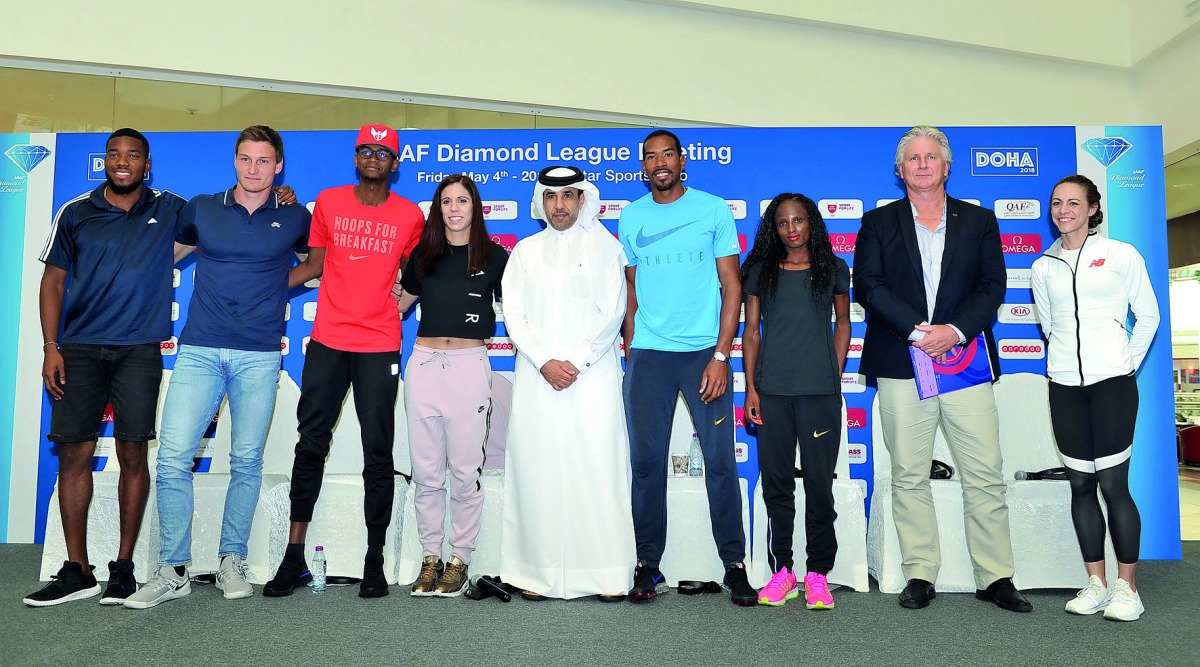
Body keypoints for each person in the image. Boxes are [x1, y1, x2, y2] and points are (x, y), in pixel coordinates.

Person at [123, 126, 312, 609]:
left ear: (279, 166)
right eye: (246, 159)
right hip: (200, 349)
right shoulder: (202, 207)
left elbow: (318, 261)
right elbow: (172, 254)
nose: (254, 169)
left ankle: (232, 559)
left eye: (264, 161)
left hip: (260, 353)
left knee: (246, 462)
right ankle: (174, 568)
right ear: (235, 161)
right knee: (171, 459)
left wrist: (273, 285)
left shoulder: (295, 215)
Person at [853, 125, 1031, 612]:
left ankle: (995, 576)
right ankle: (919, 573)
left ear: (947, 166)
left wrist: (953, 332)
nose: (923, 164)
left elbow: (993, 287)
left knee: (984, 473)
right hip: (900, 359)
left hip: (965, 361)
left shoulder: (980, 222)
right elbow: (867, 285)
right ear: (900, 169)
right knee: (908, 474)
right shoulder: (877, 223)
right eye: (913, 158)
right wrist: (916, 331)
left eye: (932, 156)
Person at [24, 129, 190, 607]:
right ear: (104, 163)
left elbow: (226, 216)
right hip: (76, 350)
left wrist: (283, 197)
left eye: (132, 155)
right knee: (74, 456)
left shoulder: (172, 208)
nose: (123, 162)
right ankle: (77, 570)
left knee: (133, 456)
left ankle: (123, 569)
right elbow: (52, 281)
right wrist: (51, 346)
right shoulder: (75, 211)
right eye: (114, 155)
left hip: (138, 350)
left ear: (147, 164)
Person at [264, 124, 424, 599]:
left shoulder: (410, 215)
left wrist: (406, 299)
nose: (373, 157)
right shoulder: (329, 202)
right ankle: (293, 556)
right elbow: (312, 265)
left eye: (383, 151)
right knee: (310, 443)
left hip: (379, 343)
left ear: (395, 164)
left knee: (378, 450)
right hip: (329, 340)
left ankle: (373, 560)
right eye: (365, 150)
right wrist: (260, 288)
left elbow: (418, 270)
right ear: (355, 158)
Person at [617, 129, 756, 606]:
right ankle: (648, 565)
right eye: (651, 157)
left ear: (682, 161)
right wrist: (632, 350)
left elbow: (731, 286)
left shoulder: (713, 209)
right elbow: (632, 290)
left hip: (703, 355)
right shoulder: (632, 216)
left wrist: (721, 355)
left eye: (668, 155)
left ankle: (735, 566)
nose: (660, 163)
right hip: (650, 359)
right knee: (646, 465)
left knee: (719, 463)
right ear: (644, 167)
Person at [499, 166, 634, 601]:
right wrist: (543, 361)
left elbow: (613, 312)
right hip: (539, 378)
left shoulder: (607, 249)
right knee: (537, 471)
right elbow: (514, 315)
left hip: (590, 378)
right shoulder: (524, 251)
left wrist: (573, 362)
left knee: (597, 469)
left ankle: (607, 574)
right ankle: (536, 574)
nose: (560, 205)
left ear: (582, 200)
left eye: (569, 196)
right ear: (542, 201)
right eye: (552, 197)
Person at [1031, 174, 1159, 622]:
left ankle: (1128, 588)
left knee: (1112, 485)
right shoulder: (1043, 266)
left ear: (1091, 208)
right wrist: (1066, 361)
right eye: (1056, 203)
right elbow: (1049, 326)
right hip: (1064, 385)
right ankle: (1096, 583)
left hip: (1112, 385)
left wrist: (1125, 362)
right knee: (1081, 485)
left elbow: (1148, 315)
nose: (1063, 210)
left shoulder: (1120, 255)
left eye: (1073, 202)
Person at [394, 174, 507, 598]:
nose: (454, 208)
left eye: (462, 200)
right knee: (426, 474)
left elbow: (521, 308)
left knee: (463, 473)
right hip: (423, 365)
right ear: (438, 209)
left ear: (475, 207)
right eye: (446, 201)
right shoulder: (423, 255)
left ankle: (459, 558)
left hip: (468, 367)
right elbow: (398, 306)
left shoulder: (496, 258)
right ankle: (429, 558)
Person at [741, 193, 851, 609]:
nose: (791, 229)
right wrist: (752, 388)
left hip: (820, 392)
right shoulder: (760, 271)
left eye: (799, 221)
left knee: (821, 486)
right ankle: (782, 572)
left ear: (812, 223)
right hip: (771, 392)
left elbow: (843, 323)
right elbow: (751, 332)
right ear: (774, 228)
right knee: (777, 486)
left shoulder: (833, 269)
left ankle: (818, 573)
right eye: (783, 222)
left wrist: (833, 373)